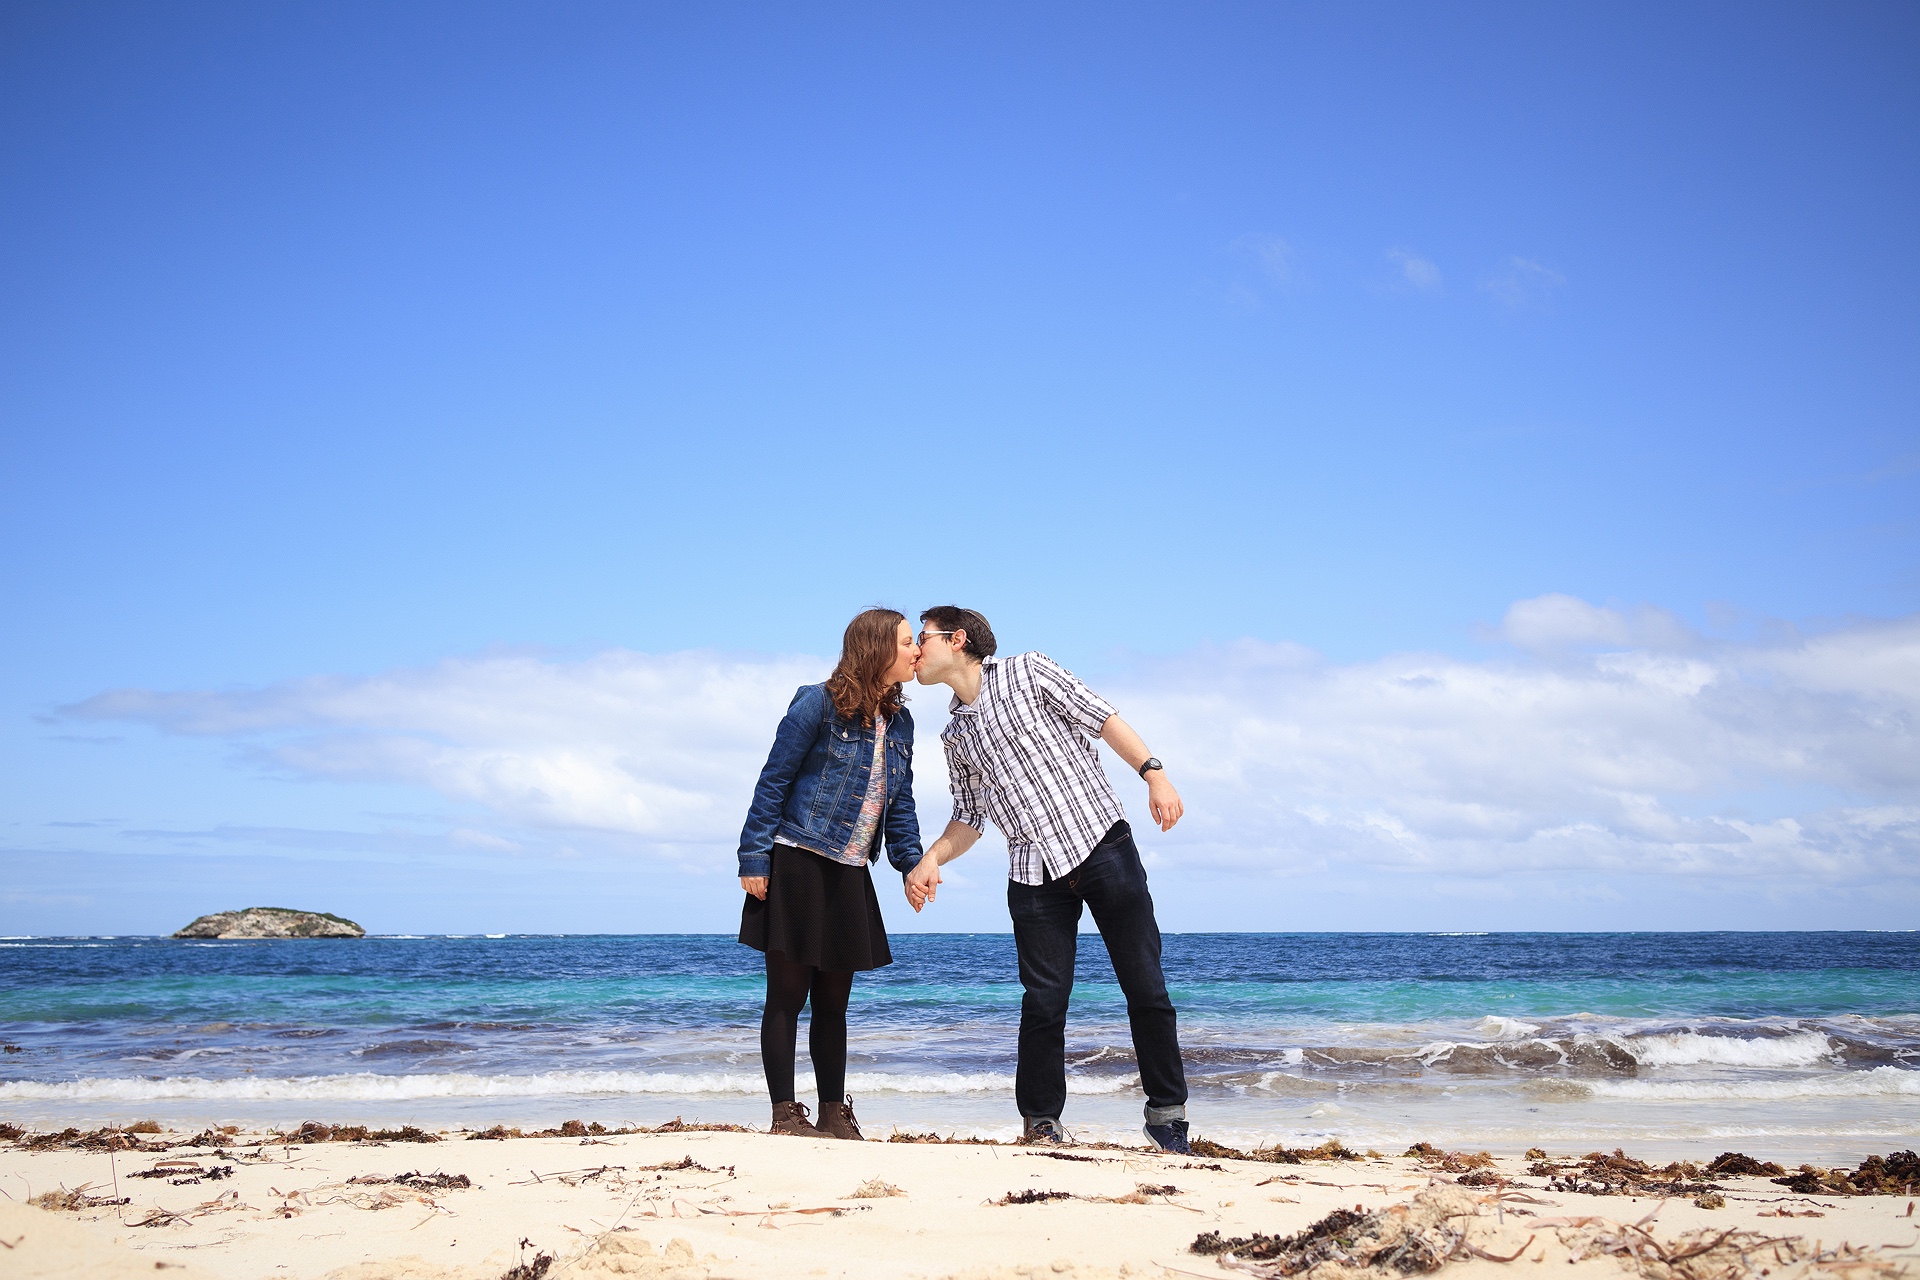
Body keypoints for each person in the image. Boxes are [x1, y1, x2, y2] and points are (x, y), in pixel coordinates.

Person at [905, 606, 1192, 1153]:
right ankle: (1041, 1121)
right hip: (1031, 875)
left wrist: (1154, 775)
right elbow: (970, 817)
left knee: (1146, 988)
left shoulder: (1030, 670)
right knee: (1042, 1002)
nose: (916, 651)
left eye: (923, 639)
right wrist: (932, 858)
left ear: (957, 639)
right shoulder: (954, 736)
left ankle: (1167, 1115)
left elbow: (1103, 717)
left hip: (1103, 846)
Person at [737, 608, 922, 1139]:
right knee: (787, 997)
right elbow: (773, 780)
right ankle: (784, 1113)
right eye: (908, 642)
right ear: (877, 648)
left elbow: (899, 803)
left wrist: (911, 863)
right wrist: (754, 857)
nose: (916, 652)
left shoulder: (901, 722)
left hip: (849, 869)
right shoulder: (815, 703)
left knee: (834, 1005)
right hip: (796, 858)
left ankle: (833, 1111)